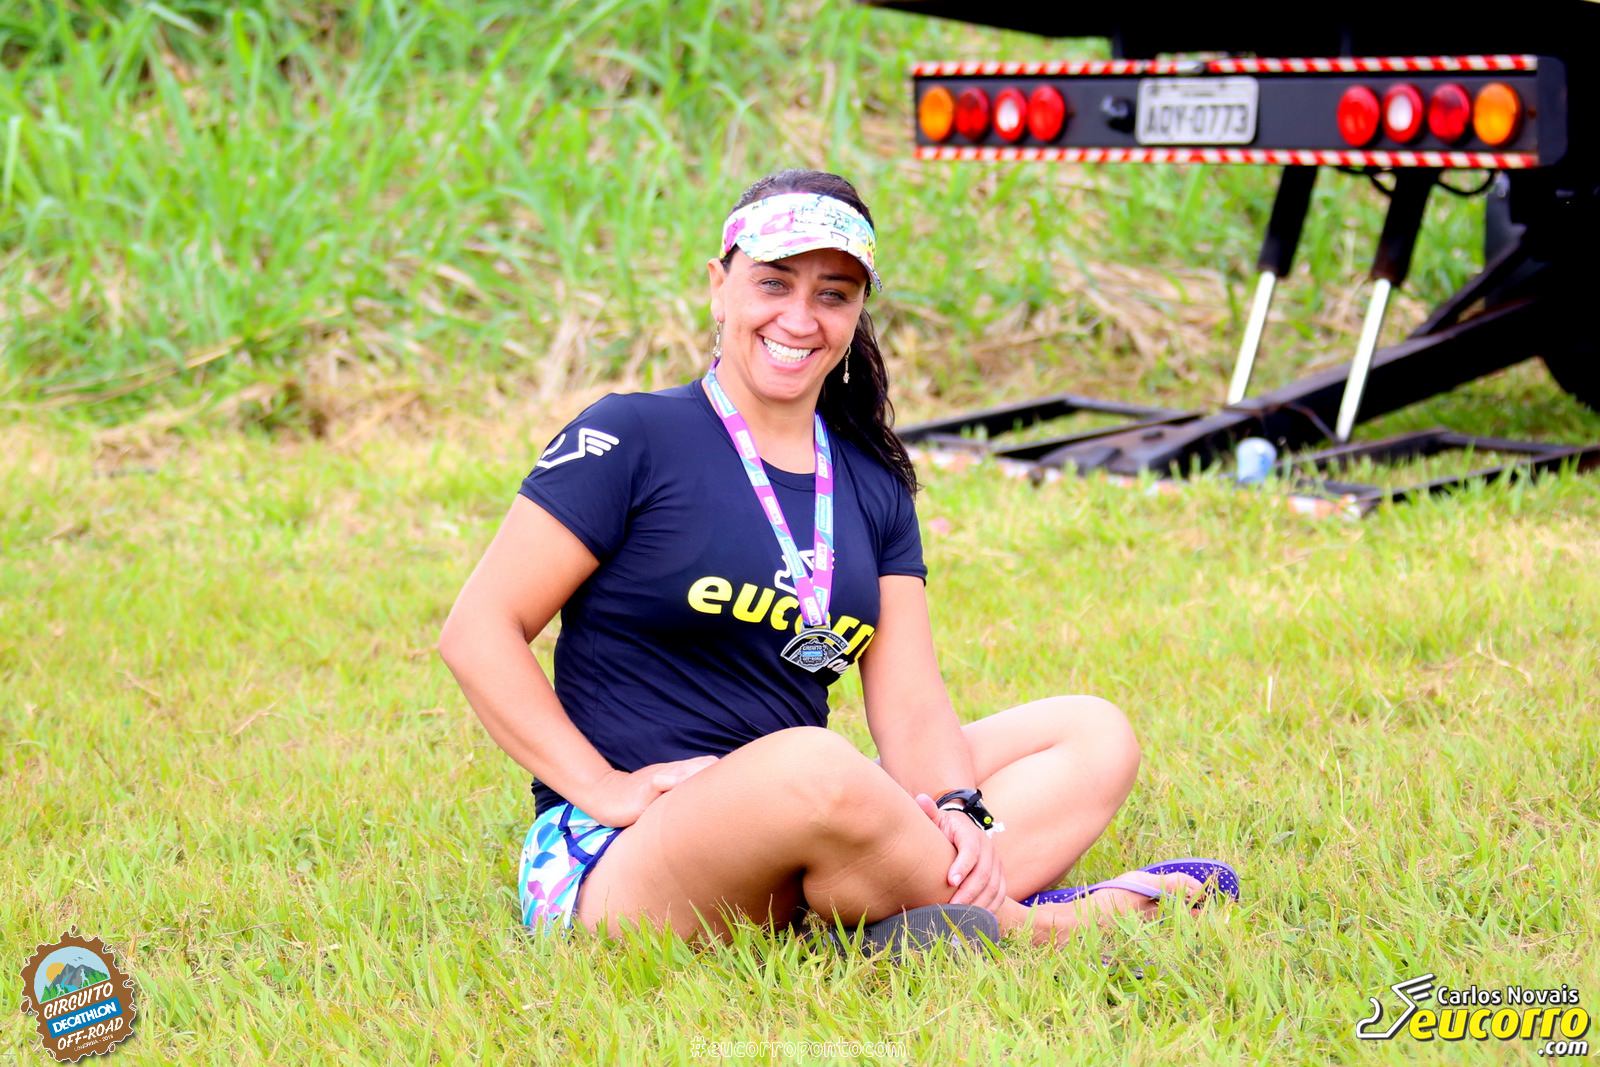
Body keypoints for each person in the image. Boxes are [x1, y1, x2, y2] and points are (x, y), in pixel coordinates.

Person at [438, 169, 1232, 950]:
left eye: (833, 294)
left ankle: (898, 905)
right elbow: (478, 629)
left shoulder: (872, 481)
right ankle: (1043, 925)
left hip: (802, 826)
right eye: (773, 283)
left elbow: (911, 704)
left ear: (856, 314)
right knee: (814, 764)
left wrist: (958, 807)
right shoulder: (631, 436)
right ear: (719, 287)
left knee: (1091, 733)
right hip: (624, 855)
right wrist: (602, 786)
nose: (800, 317)